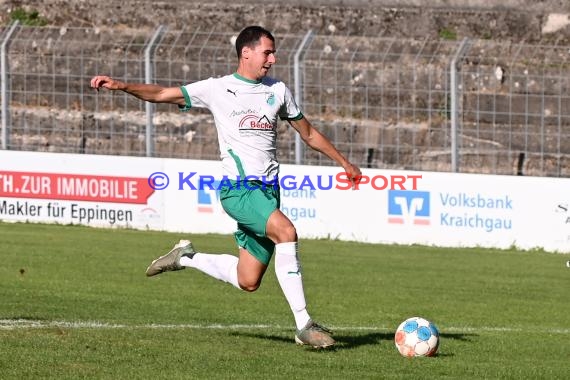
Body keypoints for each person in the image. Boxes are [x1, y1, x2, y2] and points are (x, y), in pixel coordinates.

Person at [90, 25, 361, 349]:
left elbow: (309, 132)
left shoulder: (278, 90)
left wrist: (344, 162)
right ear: (246, 53)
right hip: (239, 190)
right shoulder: (217, 88)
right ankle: (304, 324)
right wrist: (121, 86)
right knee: (286, 232)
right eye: (267, 52)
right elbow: (162, 94)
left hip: (268, 193)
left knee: (248, 280)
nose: (272, 60)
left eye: (273, 53)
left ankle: (185, 257)